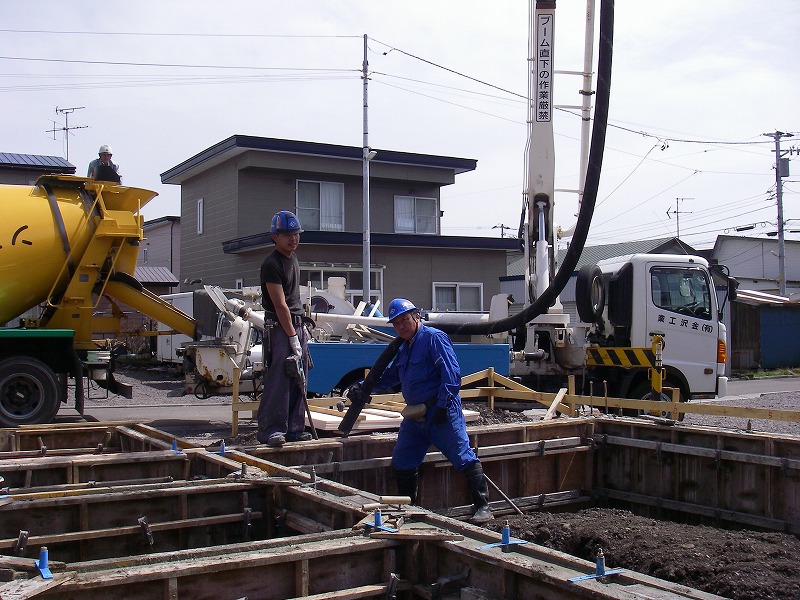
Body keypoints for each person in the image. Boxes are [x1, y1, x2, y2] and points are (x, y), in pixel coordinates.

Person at [350, 298, 493, 524]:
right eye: (396, 324)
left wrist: (443, 406)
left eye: (405, 320)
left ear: (416, 317)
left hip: (440, 412)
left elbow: (451, 375)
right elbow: (391, 376)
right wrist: (363, 386)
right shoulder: (404, 348)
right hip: (416, 417)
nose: (401, 327)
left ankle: (483, 506)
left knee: (463, 457)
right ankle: (410, 507)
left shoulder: (434, 339)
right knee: (402, 461)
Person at [257, 210, 312, 447]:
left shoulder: (293, 259)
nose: (293, 239)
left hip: (296, 323)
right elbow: (280, 304)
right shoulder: (272, 264)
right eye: (287, 234)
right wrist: (291, 335)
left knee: (299, 376)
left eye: (296, 234)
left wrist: (300, 331)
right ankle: (271, 430)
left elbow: (292, 299)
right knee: (280, 376)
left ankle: (294, 428)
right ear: (275, 237)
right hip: (280, 327)